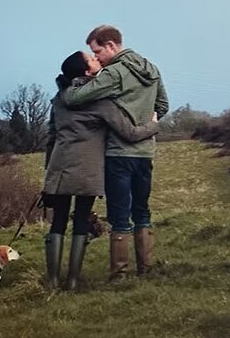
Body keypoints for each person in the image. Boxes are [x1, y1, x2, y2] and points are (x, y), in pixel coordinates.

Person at [42, 50, 161, 290]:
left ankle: (53, 280)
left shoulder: (59, 98)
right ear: (87, 72)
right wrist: (153, 126)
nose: (97, 60)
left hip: (59, 167)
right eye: (92, 59)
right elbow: (129, 132)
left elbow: (51, 137)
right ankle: (73, 281)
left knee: (58, 223)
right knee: (80, 223)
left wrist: (48, 173)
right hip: (88, 169)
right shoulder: (101, 102)